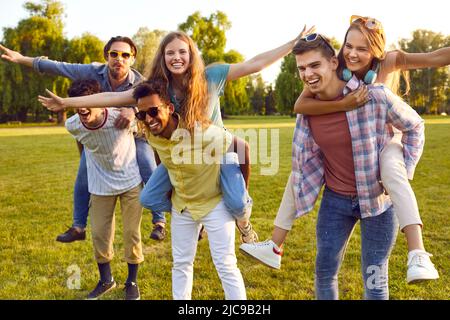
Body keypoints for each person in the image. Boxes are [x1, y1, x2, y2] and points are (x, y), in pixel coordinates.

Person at [39, 27, 314, 243]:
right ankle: (198, 214)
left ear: (191, 54)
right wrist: (67, 103)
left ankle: (244, 225)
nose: (177, 57)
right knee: (149, 198)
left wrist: (292, 43)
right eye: (170, 53)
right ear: (163, 57)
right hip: (180, 158)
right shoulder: (157, 88)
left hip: (218, 152)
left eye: (182, 52)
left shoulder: (211, 76)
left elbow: (254, 64)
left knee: (237, 204)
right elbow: (113, 96)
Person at [241, 15, 447, 283]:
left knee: (392, 170)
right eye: (348, 46)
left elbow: (435, 57)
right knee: (300, 169)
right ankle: (274, 245)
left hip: (385, 140)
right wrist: (343, 105)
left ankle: (417, 253)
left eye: (362, 49)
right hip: (359, 145)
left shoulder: (390, 61)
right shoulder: (338, 69)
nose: (352, 53)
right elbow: (301, 105)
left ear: (376, 50)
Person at [0, 36, 165, 242]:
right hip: (101, 134)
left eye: (125, 55)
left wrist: (133, 111)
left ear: (132, 59)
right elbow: (59, 67)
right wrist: (22, 58)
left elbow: (152, 106)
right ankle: (78, 226)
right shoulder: (93, 72)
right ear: (107, 56)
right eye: (114, 54)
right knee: (84, 170)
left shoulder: (140, 82)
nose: (119, 59)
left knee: (147, 162)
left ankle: (159, 222)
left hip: (131, 133)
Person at [133, 79, 248, 299]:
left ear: (169, 107)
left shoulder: (200, 132)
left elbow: (243, 148)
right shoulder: (150, 133)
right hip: (182, 205)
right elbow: (160, 154)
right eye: (141, 114)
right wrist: (168, 189)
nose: (148, 119)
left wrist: (242, 192)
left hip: (214, 203)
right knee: (181, 264)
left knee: (226, 265)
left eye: (154, 111)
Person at [63, 79, 143, 300]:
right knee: (99, 234)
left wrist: (132, 113)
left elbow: (143, 132)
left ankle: (131, 281)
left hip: (130, 182)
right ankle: (106, 280)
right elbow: (81, 139)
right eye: (78, 102)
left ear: (100, 101)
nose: (82, 108)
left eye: (88, 101)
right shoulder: (72, 124)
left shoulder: (120, 116)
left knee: (131, 233)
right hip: (100, 185)